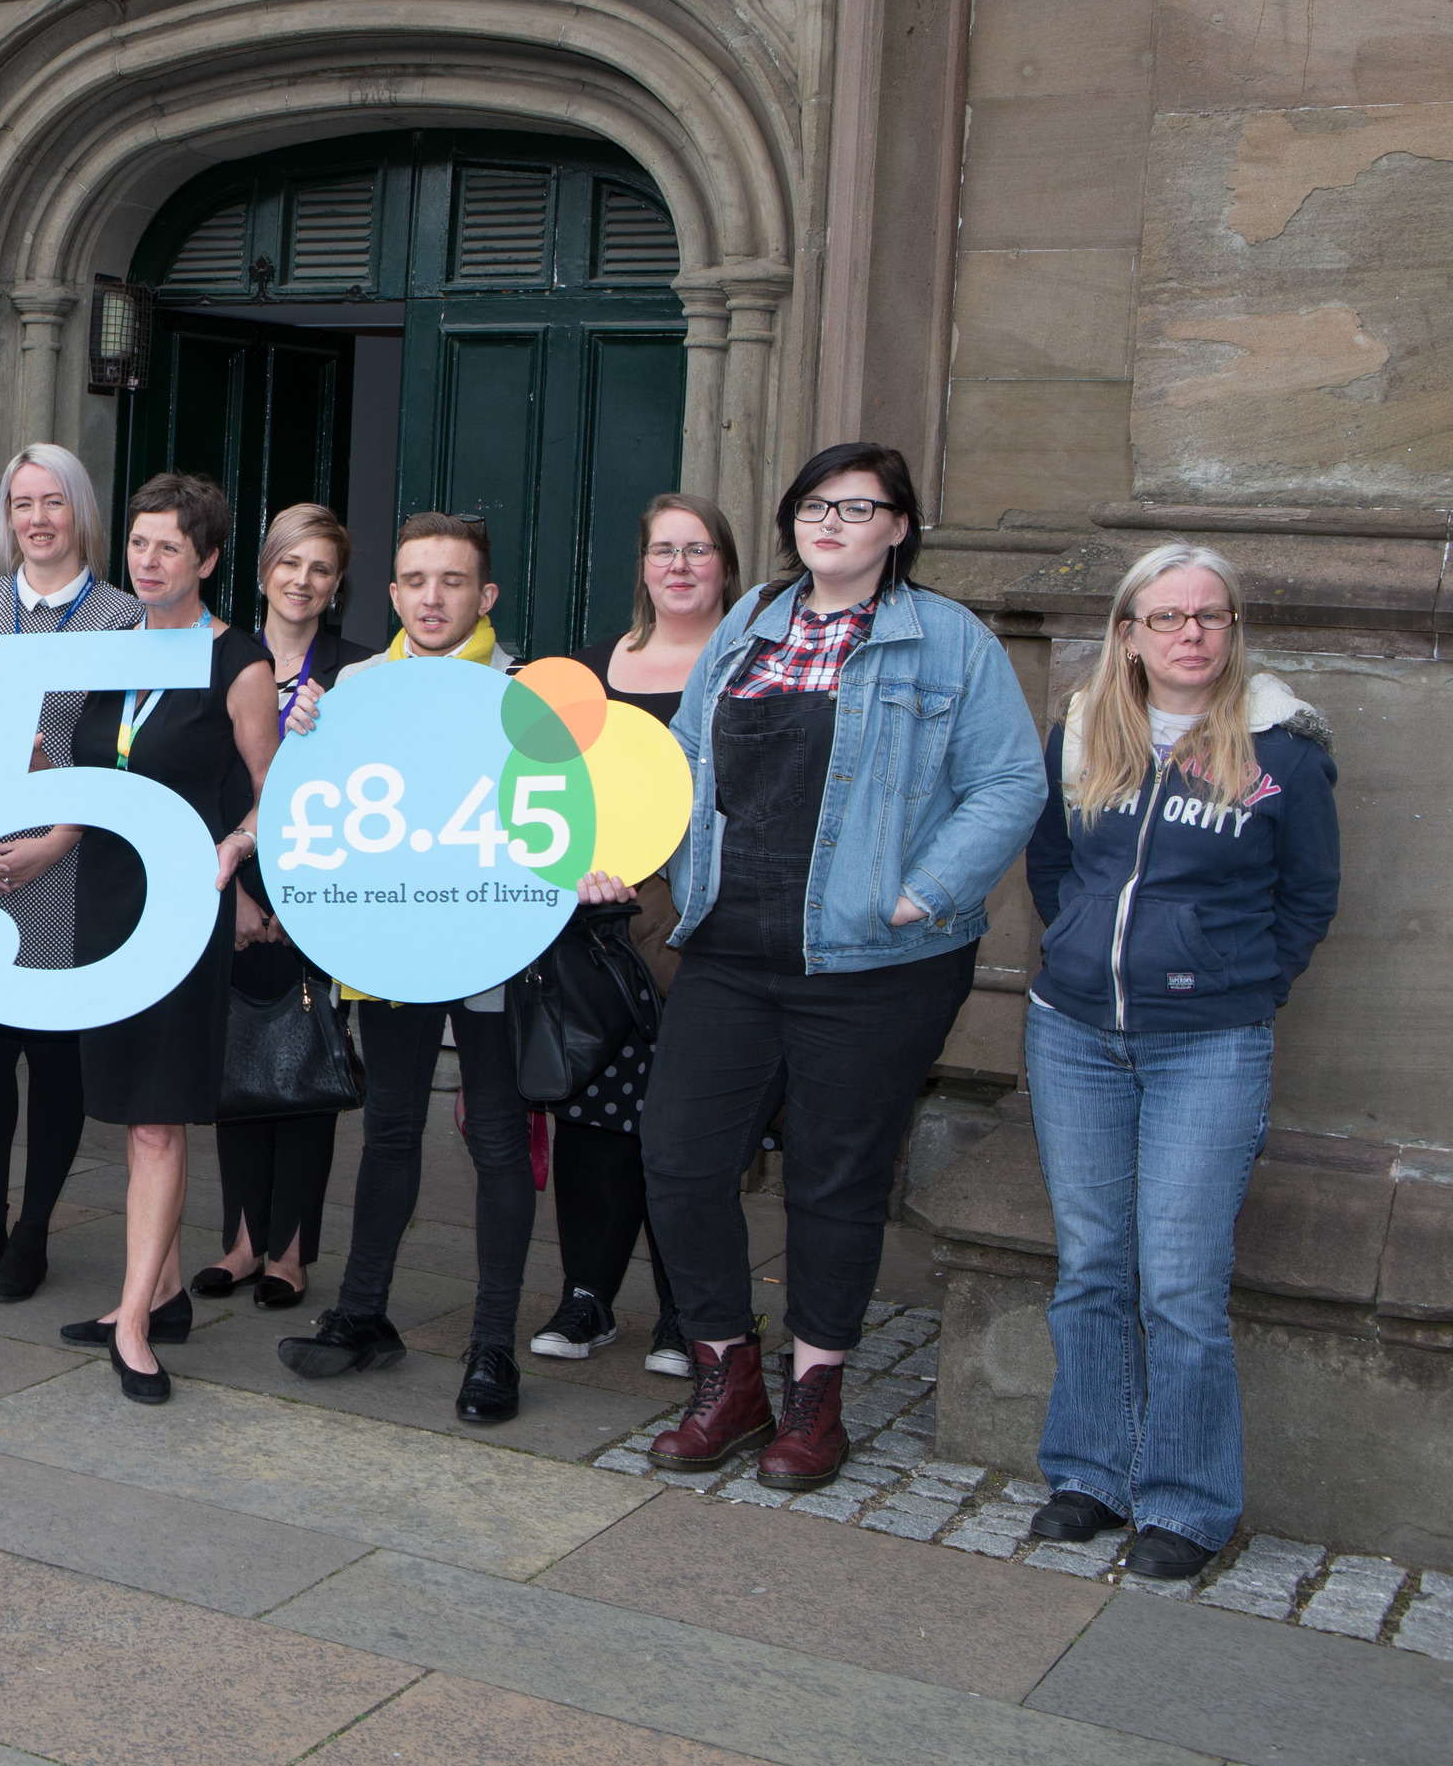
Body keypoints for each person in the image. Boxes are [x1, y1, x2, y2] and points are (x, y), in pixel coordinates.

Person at [616, 442, 1047, 1490]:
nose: (833, 522)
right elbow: (678, 767)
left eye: (859, 508)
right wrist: (620, 850)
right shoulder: (747, 627)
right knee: (678, 1154)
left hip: (876, 963)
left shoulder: (947, 641)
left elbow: (1009, 783)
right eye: (815, 504)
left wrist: (924, 893)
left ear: (900, 527)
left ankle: (816, 1399)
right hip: (729, 945)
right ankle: (728, 1375)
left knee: (835, 1177)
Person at [1021, 545, 1337, 1581]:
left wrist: (1236, 981)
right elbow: (1054, 863)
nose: (1191, 632)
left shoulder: (1284, 748)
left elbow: (1308, 897)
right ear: (1131, 633)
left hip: (1208, 1042)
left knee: (1183, 1282)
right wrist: (1077, 950)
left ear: (1232, 630)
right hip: (1074, 1033)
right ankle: (1088, 1473)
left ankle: (1189, 1503)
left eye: (1209, 616)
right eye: (1167, 617)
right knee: (1092, 1264)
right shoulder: (1085, 732)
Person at [279, 512, 537, 1423]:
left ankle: (495, 1345)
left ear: (485, 596)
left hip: (492, 939)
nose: (433, 598)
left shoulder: (526, 693)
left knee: (496, 1134)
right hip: (390, 937)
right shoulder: (351, 686)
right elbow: (317, 808)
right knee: (389, 1125)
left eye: (453, 581)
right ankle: (362, 1313)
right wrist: (306, 732)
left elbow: (558, 817)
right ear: (390, 595)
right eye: (416, 581)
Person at [54, 474, 277, 1403]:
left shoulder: (241, 662)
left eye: (168, 549)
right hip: (105, 898)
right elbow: (89, 770)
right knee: (128, 1107)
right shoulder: (106, 648)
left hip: (184, 907)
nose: (147, 562)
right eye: (139, 545)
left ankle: (135, 1320)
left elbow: (277, 793)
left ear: (209, 560)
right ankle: (169, 1287)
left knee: (156, 1117)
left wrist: (238, 843)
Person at [0, 443, 143, 1303]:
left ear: (80, 511)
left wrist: (60, 837)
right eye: (21, 504)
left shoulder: (121, 619)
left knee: (52, 1058)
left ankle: (34, 1233)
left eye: (53, 502)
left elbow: (124, 753)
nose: (36, 520)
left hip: (63, 865)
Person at [530, 493, 741, 1379]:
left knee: (686, 1126)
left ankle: (684, 1308)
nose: (680, 566)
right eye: (664, 551)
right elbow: (529, 786)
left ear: (726, 566)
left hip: (703, 933)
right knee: (594, 1116)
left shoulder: (750, 666)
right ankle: (588, 1298)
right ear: (643, 567)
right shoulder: (587, 669)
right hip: (596, 930)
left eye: (697, 550)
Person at [201, 503, 374, 1312]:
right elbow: (196, 778)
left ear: (336, 586)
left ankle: (293, 1253)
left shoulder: (359, 670)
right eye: (290, 563)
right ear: (264, 569)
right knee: (235, 1057)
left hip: (324, 892)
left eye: (321, 569)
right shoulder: (222, 655)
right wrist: (231, 889)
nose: (302, 581)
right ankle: (240, 1241)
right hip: (228, 882)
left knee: (307, 1061)